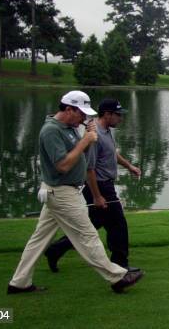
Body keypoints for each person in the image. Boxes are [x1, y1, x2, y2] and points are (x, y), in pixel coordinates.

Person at [7, 91, 143, 294]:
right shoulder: (51, 131)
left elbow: (82, 157)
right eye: (81, 114)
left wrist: (88, 137)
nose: (84, 118)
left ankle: (19, 282)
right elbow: (62, 165)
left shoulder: (69, 128)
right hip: (61, 192)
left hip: (66, 190)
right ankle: (117, 277)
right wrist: (86, 140)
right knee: (87, 235)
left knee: (39, 239)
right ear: (68, 109)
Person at [45, 98, 140, 272]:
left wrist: (129, 166)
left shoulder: (105, 130)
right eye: (118, 115)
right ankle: (120, 264)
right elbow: (90, 169)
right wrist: (97, 196)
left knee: (92, 225)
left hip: (103, 186)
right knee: (118, 224)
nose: (120, 118)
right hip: (100, 186)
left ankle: (55, 250)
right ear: (107, 114)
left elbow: (112, 153)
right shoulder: (94, 135)